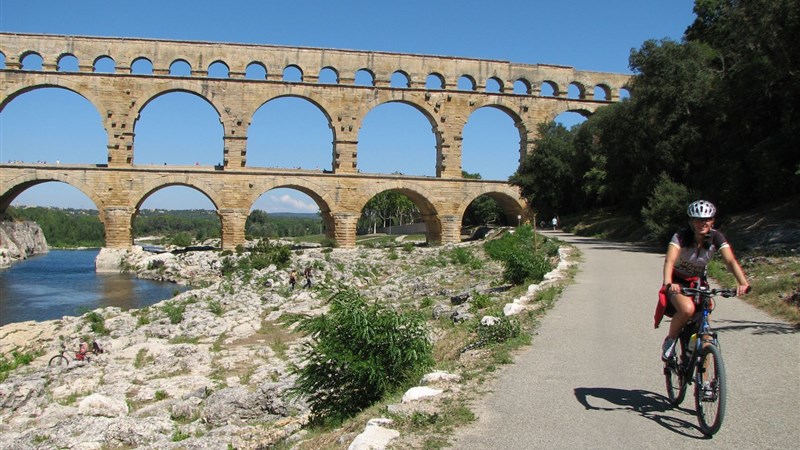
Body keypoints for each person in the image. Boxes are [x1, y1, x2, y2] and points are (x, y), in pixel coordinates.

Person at [660, 200, 750, 361]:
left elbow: (730, 261)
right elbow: (670, 261)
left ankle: (706, 378)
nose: (703, 223)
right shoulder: (681, 236)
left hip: (699, 282)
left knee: (705, 329)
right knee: (687, 310)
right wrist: (668, 283)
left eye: (707, 219)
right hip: (677, 281)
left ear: (712, 221)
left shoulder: (716, 237)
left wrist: (743, 283)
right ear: (691, 222)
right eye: (698, 219)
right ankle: (670, 340)